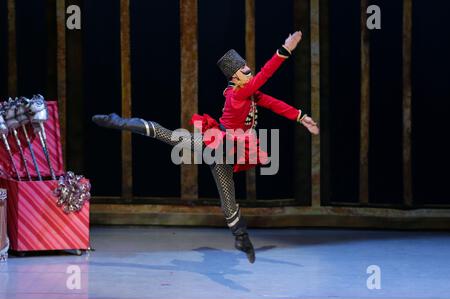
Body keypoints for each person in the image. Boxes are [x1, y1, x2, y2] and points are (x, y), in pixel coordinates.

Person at [92, 31, 319, 264]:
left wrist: (301, 117)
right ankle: (121, 122)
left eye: (248, 68)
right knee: (171, 137)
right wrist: (284, 50)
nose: (249, 72)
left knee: (228, 195)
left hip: (229, 153)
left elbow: (274, 103)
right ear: (235, 76)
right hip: (217, 144)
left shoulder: (250, 92)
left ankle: (241, 238)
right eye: (245, 70)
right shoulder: (238, 94)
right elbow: (264, 76)